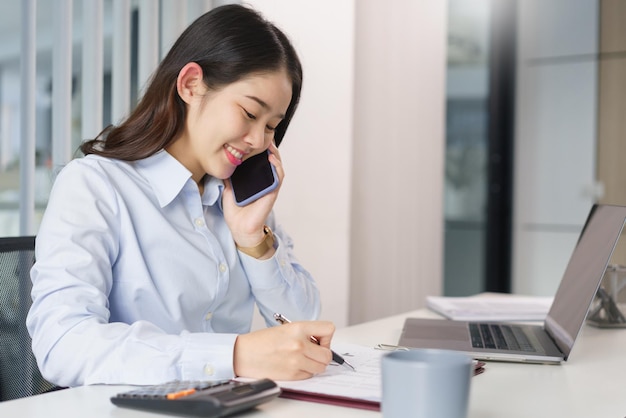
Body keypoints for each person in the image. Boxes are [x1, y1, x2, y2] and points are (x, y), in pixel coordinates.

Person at [26, 4, 335, 387]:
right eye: (249, 113)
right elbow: (62, 344)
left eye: (272, 126)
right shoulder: (95, 187)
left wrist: (252, 241)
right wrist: (234, 355)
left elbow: (306, 332)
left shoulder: (239, 203)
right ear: (191, 84)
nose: (259, 140)